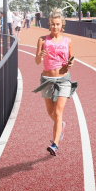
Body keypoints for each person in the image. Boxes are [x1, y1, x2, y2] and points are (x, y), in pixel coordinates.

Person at [32, 9, 77, 156]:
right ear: (49, 24)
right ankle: (61, 125)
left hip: (63, 79)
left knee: (58, 112)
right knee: (50, 112)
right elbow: (37, 61)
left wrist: (70, 64)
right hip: (46, 80)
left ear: (62, 25)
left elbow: (71, 58)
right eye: (52, 24)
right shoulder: (42, 40)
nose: (55, 27)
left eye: (57, 24)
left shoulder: (67, 41)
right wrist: (40, 55)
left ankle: (55, 144)